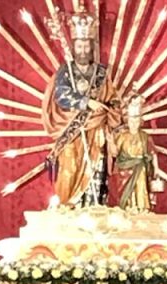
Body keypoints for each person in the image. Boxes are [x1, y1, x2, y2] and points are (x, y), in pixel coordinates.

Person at [42, 10, 121, 207]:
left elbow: (113, 100)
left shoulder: (101, 73)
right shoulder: (65, 71)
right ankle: (68, 206)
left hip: (96, 131)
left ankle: (93, 207)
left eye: (86, 45)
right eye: (79, 45)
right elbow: (61, 95)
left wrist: (108, 112)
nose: (83, 50)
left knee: (96, 170)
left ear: (92, 46)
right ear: (74, 47)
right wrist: (86, 102)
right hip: (71, 131)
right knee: (69, 168)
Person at [110, 94, 162, 211]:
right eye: (131, 120)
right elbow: (114, 153)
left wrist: (157, 170)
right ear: (127, 120)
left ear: (140, 121)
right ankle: (127, 208)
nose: (134, 123)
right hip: (124, 171)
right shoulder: (122, 136)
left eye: (136, 120)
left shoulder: (144, 136)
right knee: (125, 195)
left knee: (141, 185)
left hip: (141, 169)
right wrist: (111, 142)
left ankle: (141, 208)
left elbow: (153, 154)